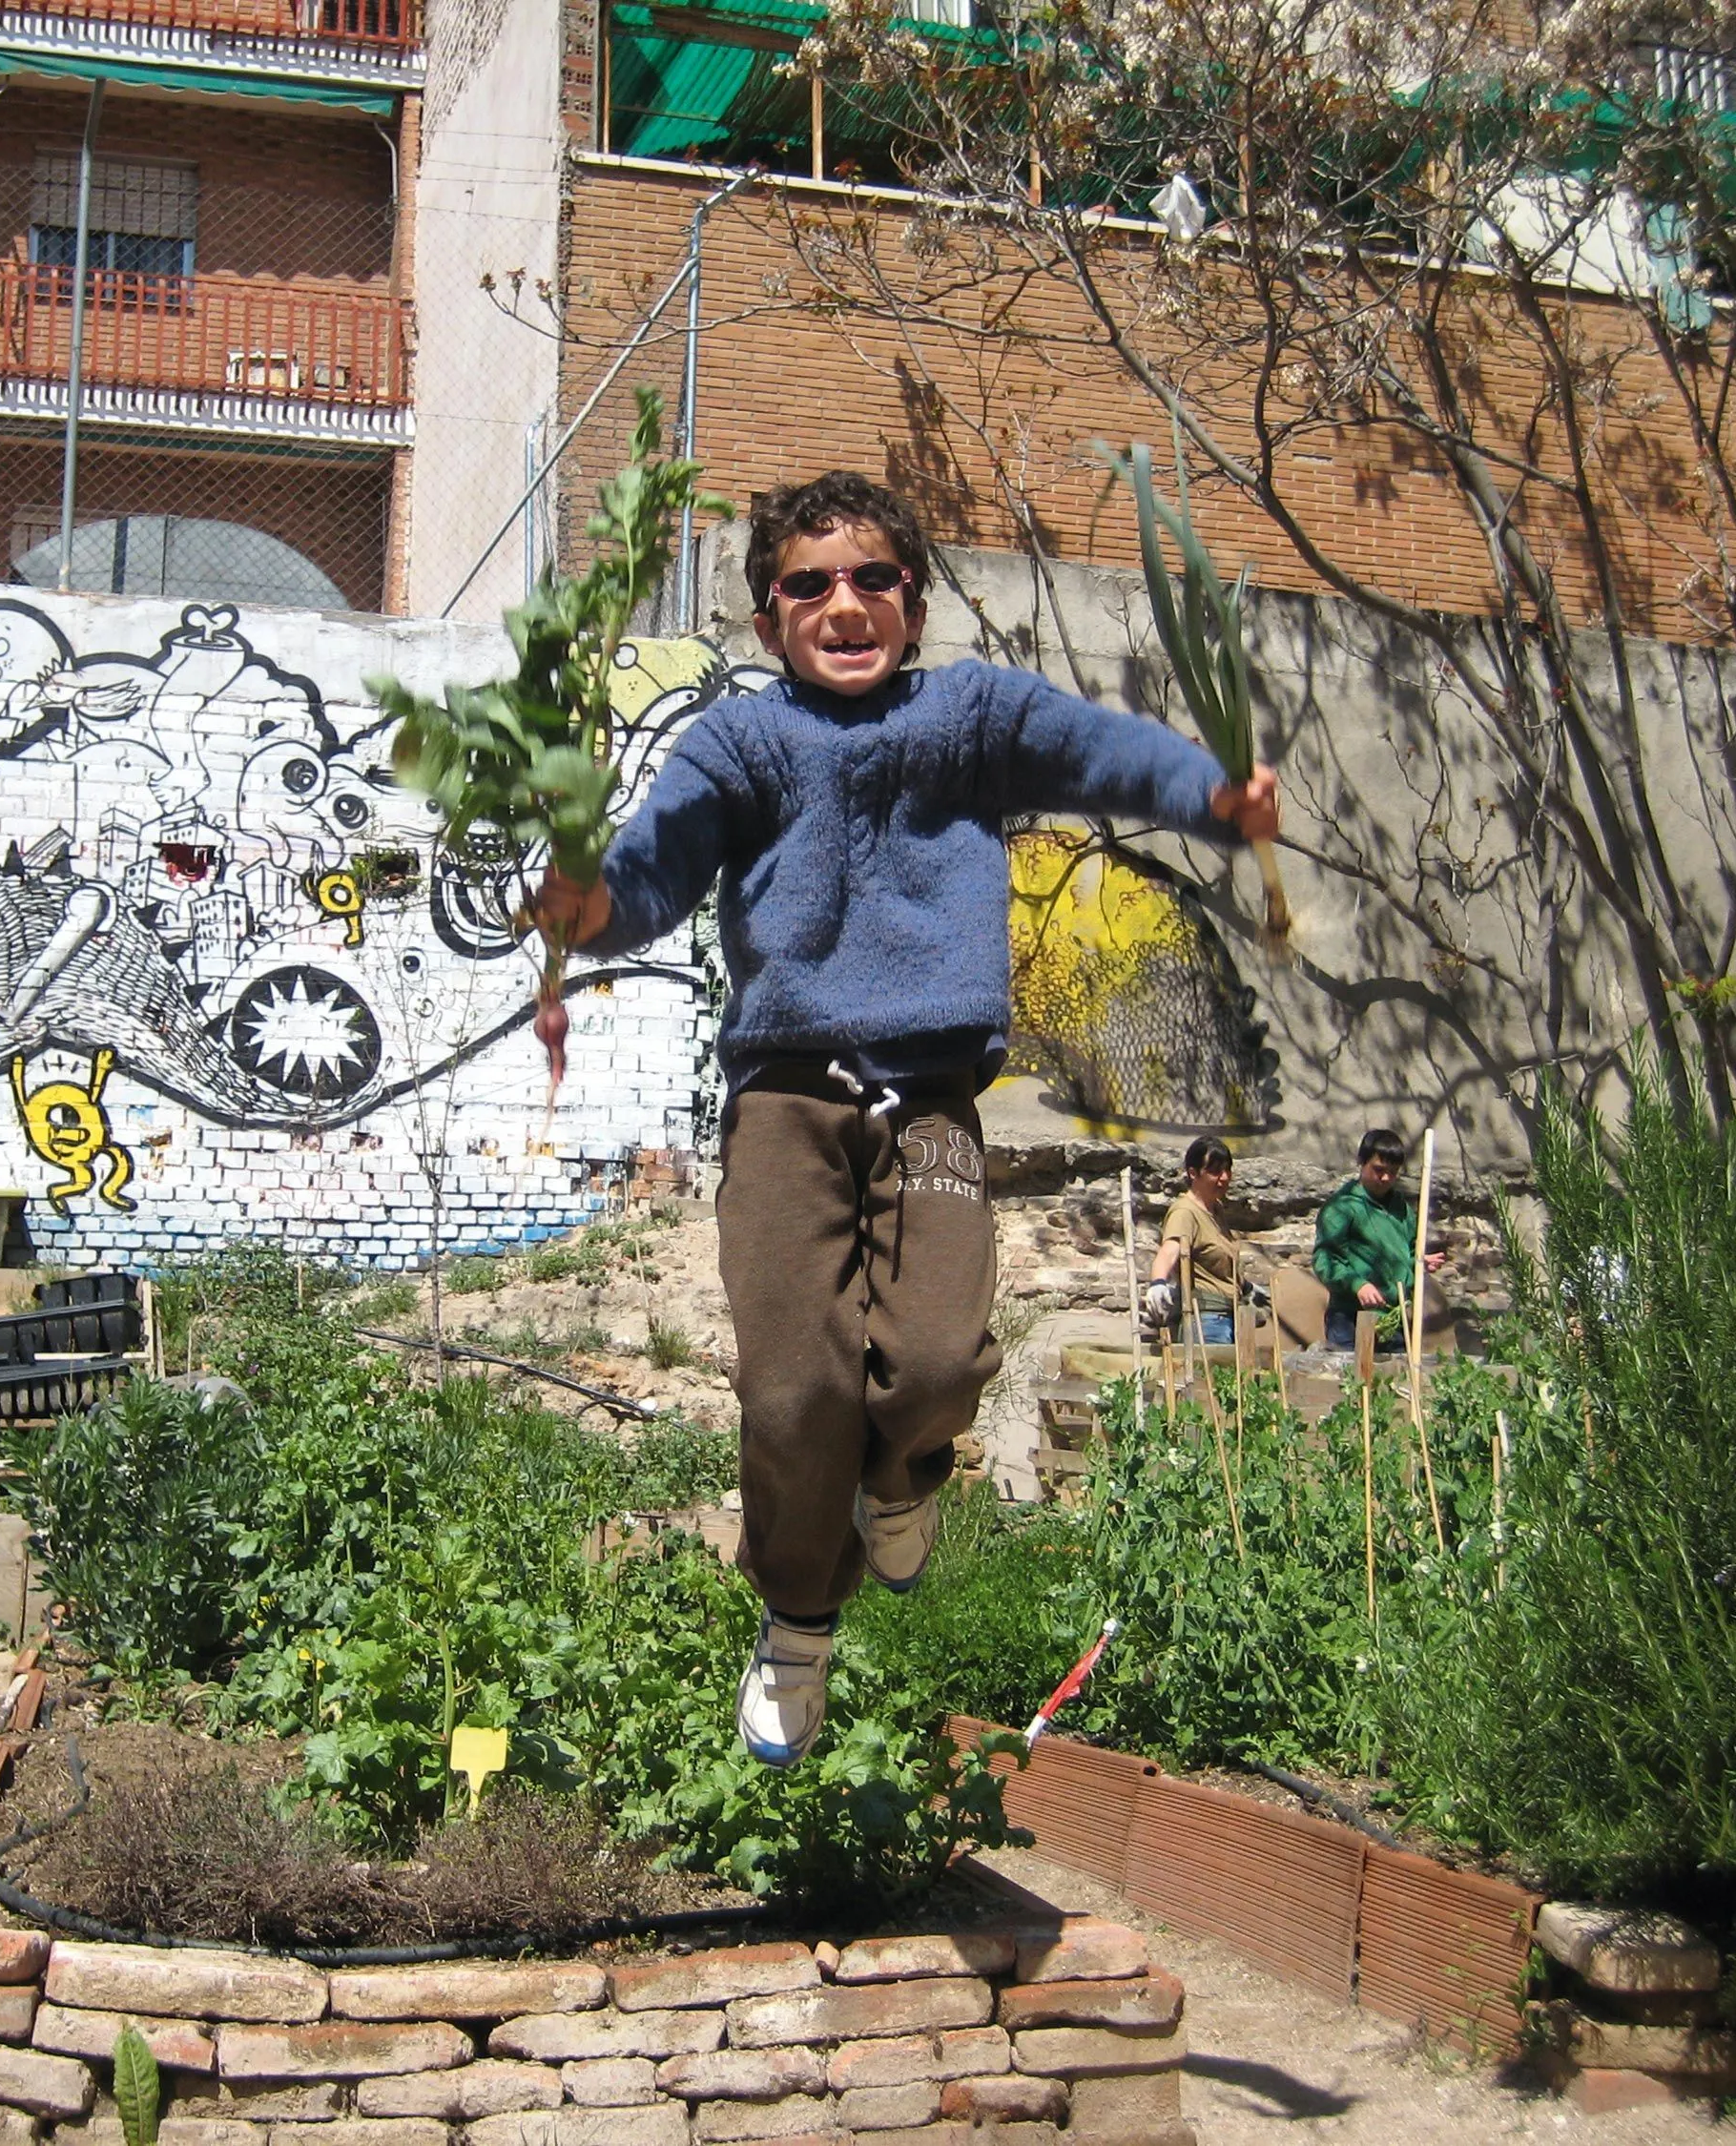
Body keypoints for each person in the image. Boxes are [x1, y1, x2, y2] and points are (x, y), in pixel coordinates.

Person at [529, 471, 1279, 1766]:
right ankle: (799, 1622)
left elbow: (1102, 750)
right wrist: (589, 908)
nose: (844, 602)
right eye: (807, 584)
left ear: (915, 601)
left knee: (933, 1362)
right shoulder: (742, 744)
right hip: (787, 1103)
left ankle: (904, 1476)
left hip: (929, 1101)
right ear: (769, 621)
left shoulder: (971, 714)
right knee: (794, 1388)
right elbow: (651, 864)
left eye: (873, 576)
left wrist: (1211, 792)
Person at [1312, 1127, 1446, 1352]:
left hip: (1393, 1318)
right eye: (1378, 1170)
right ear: (1362, 1163)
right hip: (1349, 1320)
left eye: (1392, 1172)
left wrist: (1420, 1262)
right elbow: (1325, 1260)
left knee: (1396, 1382)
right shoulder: (1342, 1208)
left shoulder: (1401, 1208)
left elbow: (1408, 1251)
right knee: (1351, 1382)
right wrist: (1358, 1285)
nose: (1385, 1178)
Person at [1143, 1136, 1248, 1348]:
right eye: (1215, 1171)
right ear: (1193, 1173)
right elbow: (1170, 1250)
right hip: (1207, 1322)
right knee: (1208, 1379)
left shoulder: (1216, 1210)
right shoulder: (1185, 1212)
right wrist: (1158, 1284)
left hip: (1229, 1319)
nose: (1224, 1177)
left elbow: (1220, 1265)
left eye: (1228, 1170)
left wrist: (1247, 1289)